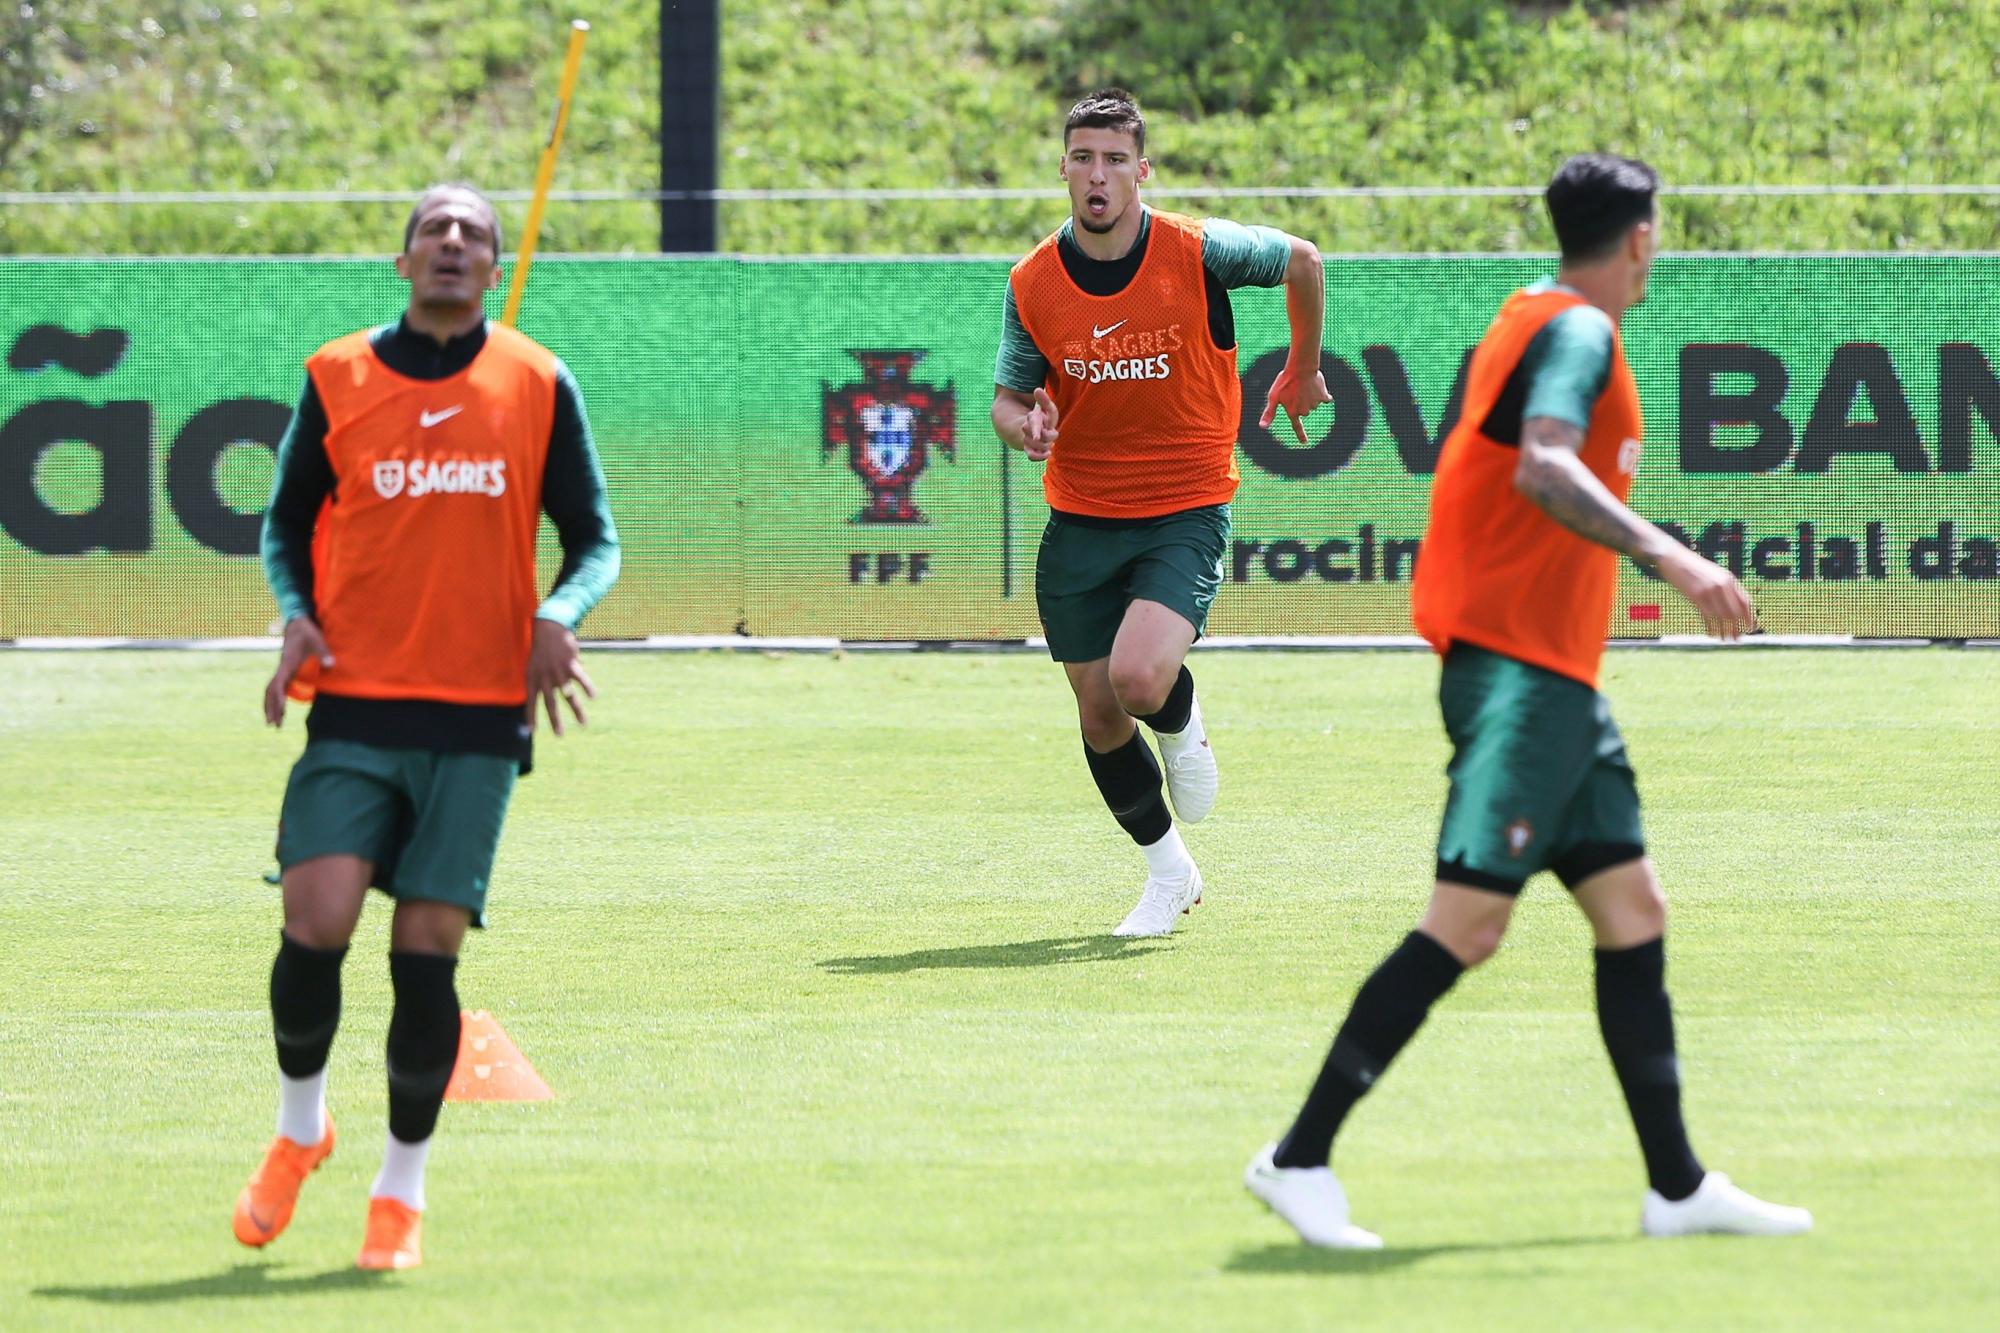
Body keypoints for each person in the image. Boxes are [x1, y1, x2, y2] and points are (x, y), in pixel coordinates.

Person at [1245, 154, 1811, 1246]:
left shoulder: (1529, 313)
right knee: (1465, 923)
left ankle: (1677, 1186)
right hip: (1517, 675)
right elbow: (1542, 468)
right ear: (1639, 238)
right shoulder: (1578, 334)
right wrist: (1678, 563)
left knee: (1630, 911)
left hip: (1553, 680)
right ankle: (1295, 1156)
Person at [235, 182, 619, 1270]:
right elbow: (286, 523)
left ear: (493, 268)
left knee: (425, 950)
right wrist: (297, 616)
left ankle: (398, 1190)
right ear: (402, 261)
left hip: (480, 714)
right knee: (315, 916)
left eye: (474, 235)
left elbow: (595, 539)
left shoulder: (537, 382)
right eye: (433, 231)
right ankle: (301, 1126)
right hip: (357, 697)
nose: (452, 244)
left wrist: (557, 612)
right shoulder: (337, 375)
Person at [992, 88, 1330, 937]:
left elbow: (1305, 261)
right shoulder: (1033, 281)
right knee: (1098, 711)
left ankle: (1183, 728)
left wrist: (1301, 366)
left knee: (1138, 681)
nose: (1097, 174)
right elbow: (1006, 398)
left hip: (1185, 505)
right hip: (1081, 515)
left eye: (1114, 159)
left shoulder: (1199, 250)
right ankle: (1168, 873)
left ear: (1142, 172)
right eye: (1082, 157)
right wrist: (1024, 423)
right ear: (1064, 168)